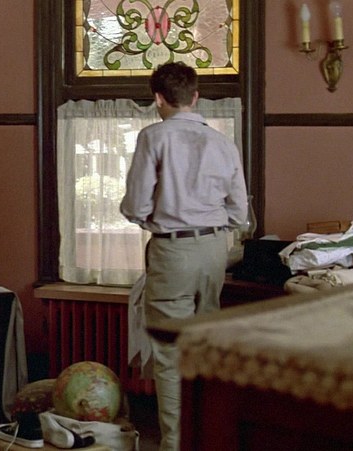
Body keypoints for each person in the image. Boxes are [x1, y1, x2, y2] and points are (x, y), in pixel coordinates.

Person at [120, 61, 248, 451]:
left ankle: (175, 445)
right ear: (195, 97)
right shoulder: (223, 143)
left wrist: (152, 218)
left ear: (158, 98)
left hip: (172, 250)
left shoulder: (153, 137)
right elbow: (239, 212)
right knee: (204, 347)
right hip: (213, 251)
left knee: (169, 353)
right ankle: (207, 439)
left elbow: (135, 206)